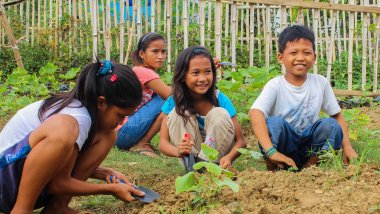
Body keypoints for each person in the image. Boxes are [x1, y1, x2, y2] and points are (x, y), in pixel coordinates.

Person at [0, 60, 145, 213]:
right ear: (101, 102)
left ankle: (57, 207)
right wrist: (110, 189)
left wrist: (103, 173)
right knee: (64, 127)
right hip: (4, 182)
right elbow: (59, 183)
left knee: (108, 135)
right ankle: (22, 209)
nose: (121, 122)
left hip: (18, 181)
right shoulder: (75, 118)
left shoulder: (85, 116)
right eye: (120, 115)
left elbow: (55, 163)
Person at [249, 25, 358, 171]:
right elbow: (255, 113)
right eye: (293, 52)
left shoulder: (320, 83)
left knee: (330, 125)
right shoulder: (275, 85)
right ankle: (274, 170)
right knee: (274, 124)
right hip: (283, 148)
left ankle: (309, 170)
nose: (300, 58)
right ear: (281, 57)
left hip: (309, 148)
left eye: (307, 52)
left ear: (314, 57)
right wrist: (271, 151)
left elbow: (337, 116)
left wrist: (347, 147)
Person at [159, 46, 246, 169]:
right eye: (195, 73)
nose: (203, 79)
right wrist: (178, 151)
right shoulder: (175, 100)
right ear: (183, 76)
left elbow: (241, 141)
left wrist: (229, 157)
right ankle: (193, 167)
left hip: (217, 160)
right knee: (177, 113)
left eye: (207, 72)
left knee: (219, 113)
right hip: (191, 158)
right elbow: (162, 143)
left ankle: (207, 169)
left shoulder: (221, 99)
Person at [116, 32, 172, 157]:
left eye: (163, 52)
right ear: (142, 54)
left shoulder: (142, 71)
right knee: (167, 100)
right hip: (123, 132)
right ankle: (143, 142)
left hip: (121, 133)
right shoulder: (142, 71)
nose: (160, 56)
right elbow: (171, 95)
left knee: (164, 99)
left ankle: (144, 142)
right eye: (155, 51)